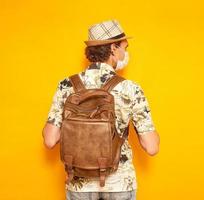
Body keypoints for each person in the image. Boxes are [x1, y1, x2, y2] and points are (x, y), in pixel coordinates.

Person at [42, 19, 160, 200]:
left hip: (78, 183)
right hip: (120, 183)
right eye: (124, 48)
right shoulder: (130, 88)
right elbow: (151, 147)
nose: (125, 53)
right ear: (113, 48)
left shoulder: (67, 85)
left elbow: (50, 140)